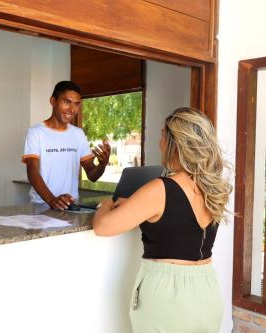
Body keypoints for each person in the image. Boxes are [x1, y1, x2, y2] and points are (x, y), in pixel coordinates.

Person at [92, 107, 232, 333]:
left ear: (175, 142)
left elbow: (102, 226)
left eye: (162, 136)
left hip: (168, 297)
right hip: (207, 291)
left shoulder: (161, 188)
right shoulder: (213, 187)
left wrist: (106, 204)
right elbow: (179, 219)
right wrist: (137, 203)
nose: (160, 143)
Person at [22, 80, 111, 210]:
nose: (72, 109)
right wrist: (51, 200)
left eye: (76, 104)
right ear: (53, 101)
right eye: (67, 102)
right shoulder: (36, 132)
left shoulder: (78, 134)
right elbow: (32, 171)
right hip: (42, 206)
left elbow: (92, 175)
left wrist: (103, 164)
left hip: (71, 207)